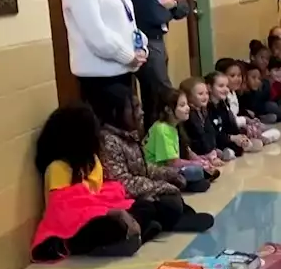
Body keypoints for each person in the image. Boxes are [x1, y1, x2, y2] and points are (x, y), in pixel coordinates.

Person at [33, 105, 160, 261]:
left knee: (147, 207)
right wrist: (112, 212)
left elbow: (99, 195)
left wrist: (116, 209)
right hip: (72, 230)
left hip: (99, 211)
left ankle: (128, 237)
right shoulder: (57, 168)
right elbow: (65, 212)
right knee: (110, 226)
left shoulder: (92, 162)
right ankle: (124, 239)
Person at [92, 85, 215, 231]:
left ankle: (175, 217)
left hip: (143, 187)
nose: (141, 112)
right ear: (116, 112)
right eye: (135, 108)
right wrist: (160, 186)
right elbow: (123, 182)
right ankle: (168, 222)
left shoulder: (130, 135)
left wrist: (172, 175)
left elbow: (144, 168)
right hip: (128, 197)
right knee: (161, 204)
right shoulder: (108, 141)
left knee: (174, 196)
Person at [62, 0, 148, 107]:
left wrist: (141, 46)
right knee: (111, 129)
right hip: (102, 81)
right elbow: (97, 35)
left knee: (128, 126)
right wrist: (129, 56)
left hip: (122, 72)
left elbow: (127, 22)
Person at [124, 0, 189, 130]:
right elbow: (151, 13)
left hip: (159, 38)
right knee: (163, 95)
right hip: (145, 39)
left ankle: (157, 142)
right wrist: (163, 5)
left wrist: (169, 3)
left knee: (154, 96)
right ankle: (168, 145)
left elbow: (184, 7)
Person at [144, 88, 216, 184]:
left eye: (186, 104)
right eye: (182, 105)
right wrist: (196, 164)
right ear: (168, 110)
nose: (188, 108)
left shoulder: (174, 126)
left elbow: (188, 151)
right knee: (197, 174)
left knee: (202, 175)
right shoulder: (162, 129)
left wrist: (201, 160)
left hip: (170, 169)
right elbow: (172, 163)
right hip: (156, 171)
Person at [179, 76, 235, 164]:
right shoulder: (189, 115)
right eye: (200, 94)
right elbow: (196, 137)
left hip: (207, 150)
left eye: (207, 93)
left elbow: (210, 132)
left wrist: (213, 149)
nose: (205, 97)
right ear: (188, 97)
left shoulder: (204, 111)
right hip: (196, 153)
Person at [206, 71, 260, 154]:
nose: (226, 89)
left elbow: (230, 125)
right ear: (209, 87)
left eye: (227, 86)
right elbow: (212, 134)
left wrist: (240, 137)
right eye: (221, 86)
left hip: (226, 138)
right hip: (216, 142)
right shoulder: (206, 108)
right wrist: (231, 138)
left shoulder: (223, 104)